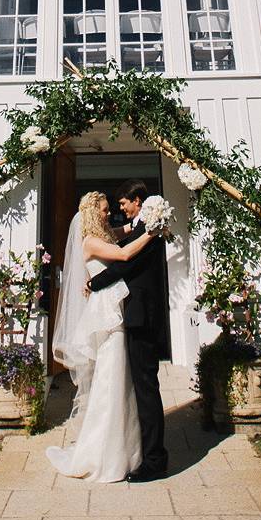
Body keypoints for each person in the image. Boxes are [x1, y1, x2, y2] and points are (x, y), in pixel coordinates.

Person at [45, 191, 158, 482]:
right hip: (109, 320)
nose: (110, 214)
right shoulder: (91, 241)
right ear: (94, 213)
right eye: (105, 211)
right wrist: (153, 234)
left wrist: (150, 217)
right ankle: (106, 454)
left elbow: (127, 231)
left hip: (116, 312)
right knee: (111, 381)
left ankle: (128, 448)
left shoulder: (104, 235)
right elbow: (122, 254)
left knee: (122, 382)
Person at [88, 179, 169, 483]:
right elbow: (118, 244)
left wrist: (93, 283)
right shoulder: (141, 228)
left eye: (123, 203)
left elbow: (124, 264)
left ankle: (155, 461)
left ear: (137, 200)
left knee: (146, 389)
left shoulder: (150, 229)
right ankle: (142, 452)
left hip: (141, 318)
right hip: (132, 317)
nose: (120, 208)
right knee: (141, 388)